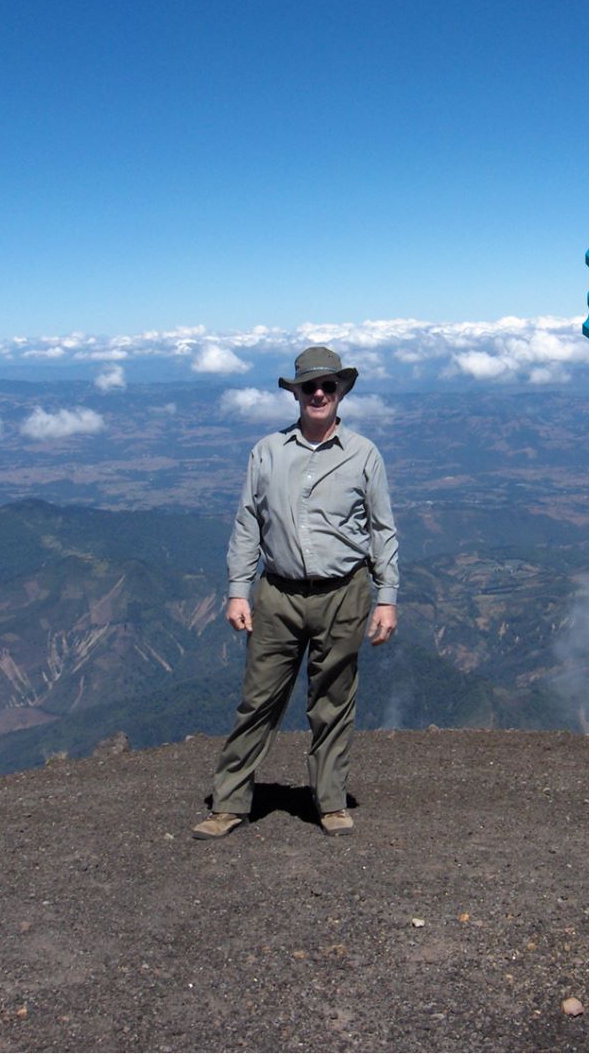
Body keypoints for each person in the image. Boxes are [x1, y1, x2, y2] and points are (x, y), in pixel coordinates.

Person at [192, 346, 398, 840]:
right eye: (310, 386)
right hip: (277, 594)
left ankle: (329, 802)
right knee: (258, 700)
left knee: (333, 701)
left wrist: (387, 595)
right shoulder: (266, 451)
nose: (319, 393)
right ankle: (229, 804)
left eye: (328, 385)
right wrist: (238, 591)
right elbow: (248, 524)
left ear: (342, 390)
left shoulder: (364, 454)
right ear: (297, 393)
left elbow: (381, 529)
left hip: (344, 593)